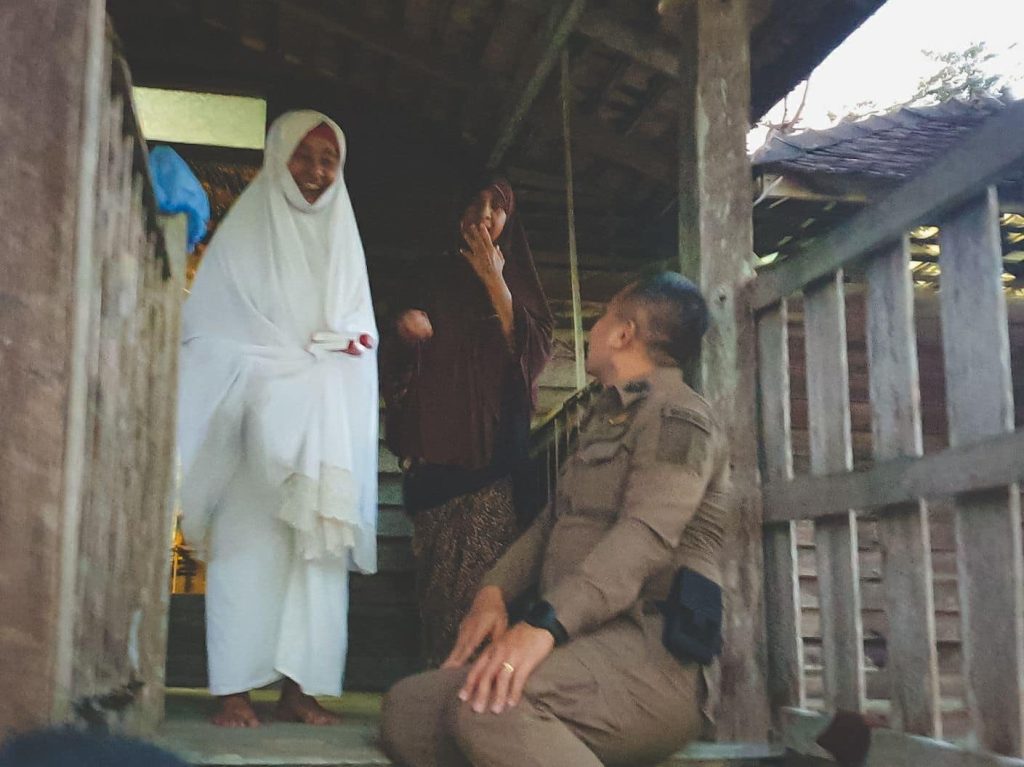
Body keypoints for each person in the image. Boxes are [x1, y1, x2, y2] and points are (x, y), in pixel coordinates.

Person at [381, 272, 733, 767]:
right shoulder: (604, 418)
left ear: (623, 333)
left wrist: (544, 625)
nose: (594, 329)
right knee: (410, 712)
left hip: (653, 659)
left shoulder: (679, 418)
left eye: (602, 317)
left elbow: (644, 537)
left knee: (489, 709)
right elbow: (551, 522)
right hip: (579, 648)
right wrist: (493, 591)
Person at [177, 111, 378, 728]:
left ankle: (301, 689)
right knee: (246, 555)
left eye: (328, 160)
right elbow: (204, 332)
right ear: (277, 156)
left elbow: (359, 327)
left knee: (315, 564)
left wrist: (350, 346)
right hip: (250, 428)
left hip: (319, 429)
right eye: (304, 156)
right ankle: (233, 691)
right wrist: (271, 369)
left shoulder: (344, 237)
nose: (316, 171)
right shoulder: (244, 234)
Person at [380, 177, 553, 667]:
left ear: (508, 219)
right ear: (459, 216)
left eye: (497, 207)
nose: (485, 214)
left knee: (482, 588)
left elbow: (533, 353)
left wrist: (494, 279)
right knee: (438, 590)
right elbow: (392, 358)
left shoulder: (517, 277)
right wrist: (405, 332)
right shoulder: (431, 278)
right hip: (435, 462)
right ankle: (441, 685)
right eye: (476, 204)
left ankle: (473, 688)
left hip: (495, 463)